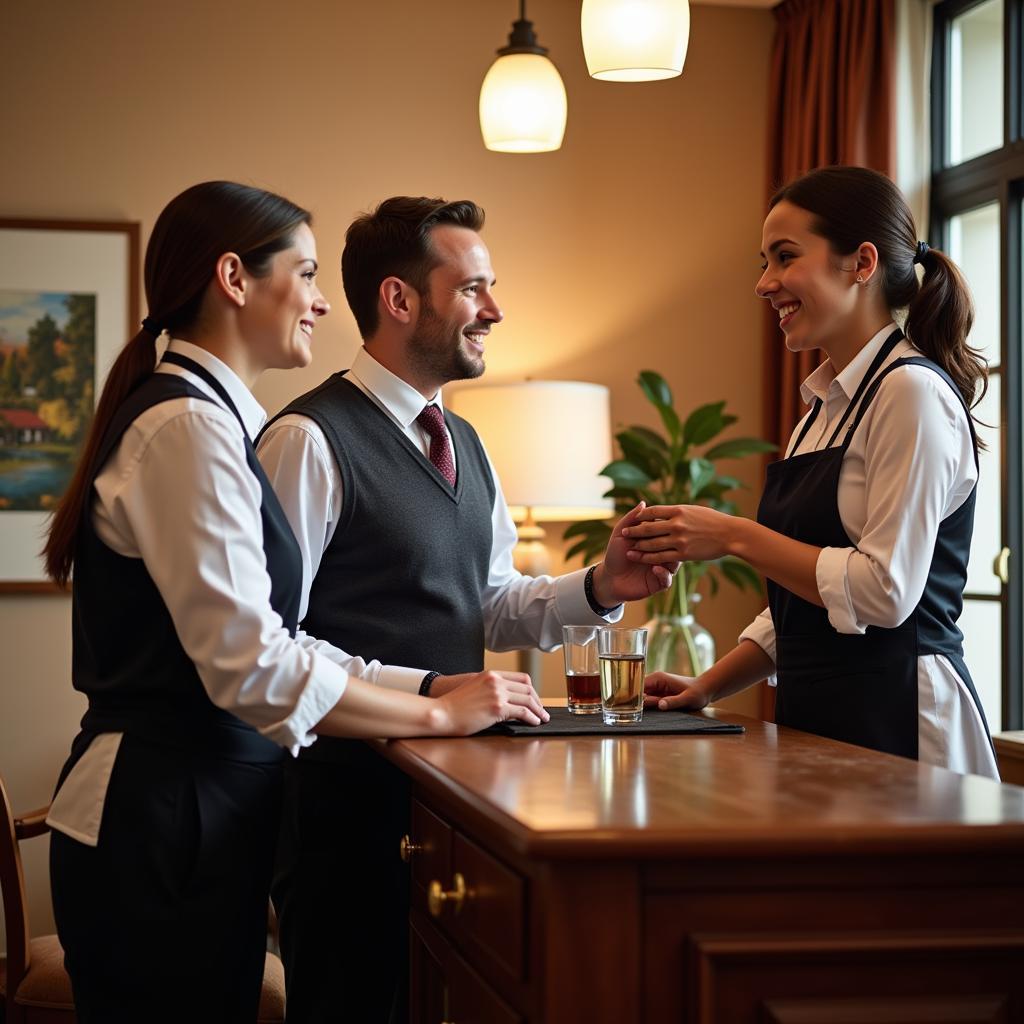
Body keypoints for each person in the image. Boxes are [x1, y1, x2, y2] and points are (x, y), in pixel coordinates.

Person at [40, 181, 548, 1024]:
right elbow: (253, 666)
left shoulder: (211, 425)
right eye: (305, 273)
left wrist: (425, 691)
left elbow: (277, 645)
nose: (320, 300)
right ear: (234, 278)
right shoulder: (188, 432)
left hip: (201, 813)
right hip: (164, 819)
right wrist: (434, 716)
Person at [256, 195, 675, 1022]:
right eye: (474, 288)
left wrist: (601, 587)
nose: (496, 309)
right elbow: (277, 644)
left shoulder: (467, 443)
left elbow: (486, 600)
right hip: (340, 813)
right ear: (400, 299)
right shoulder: (306, 441)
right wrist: (431, 691)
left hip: (445, 808)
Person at [625, 165, 998, 779]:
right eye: (764, 261)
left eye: (784, 257)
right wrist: (707, 687)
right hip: (820, 720)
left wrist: (735, 536)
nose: (763, 283)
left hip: (901, 717)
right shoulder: (823, 409)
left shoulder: (910, 393)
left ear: (861, 263)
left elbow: (884, 592)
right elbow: (806, 603)